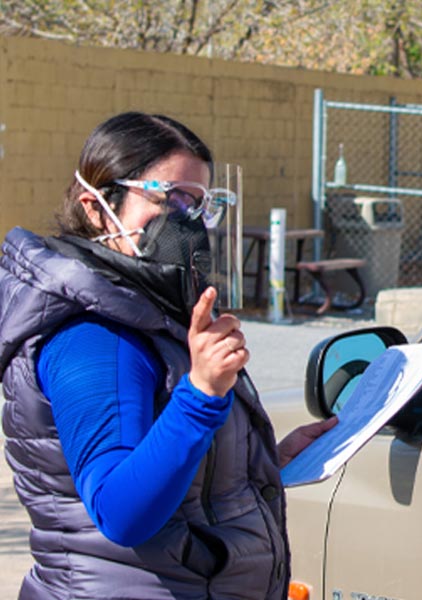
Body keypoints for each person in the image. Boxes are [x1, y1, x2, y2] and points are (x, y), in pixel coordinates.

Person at [0, 111, 337, 599]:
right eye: (170, 198)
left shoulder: (144, 309)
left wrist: (264, 463)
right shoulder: (92, 335)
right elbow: (122, 512)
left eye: (201, 203)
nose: (188, 221)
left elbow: (175, 477)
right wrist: (201, 392)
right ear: (96, 206)